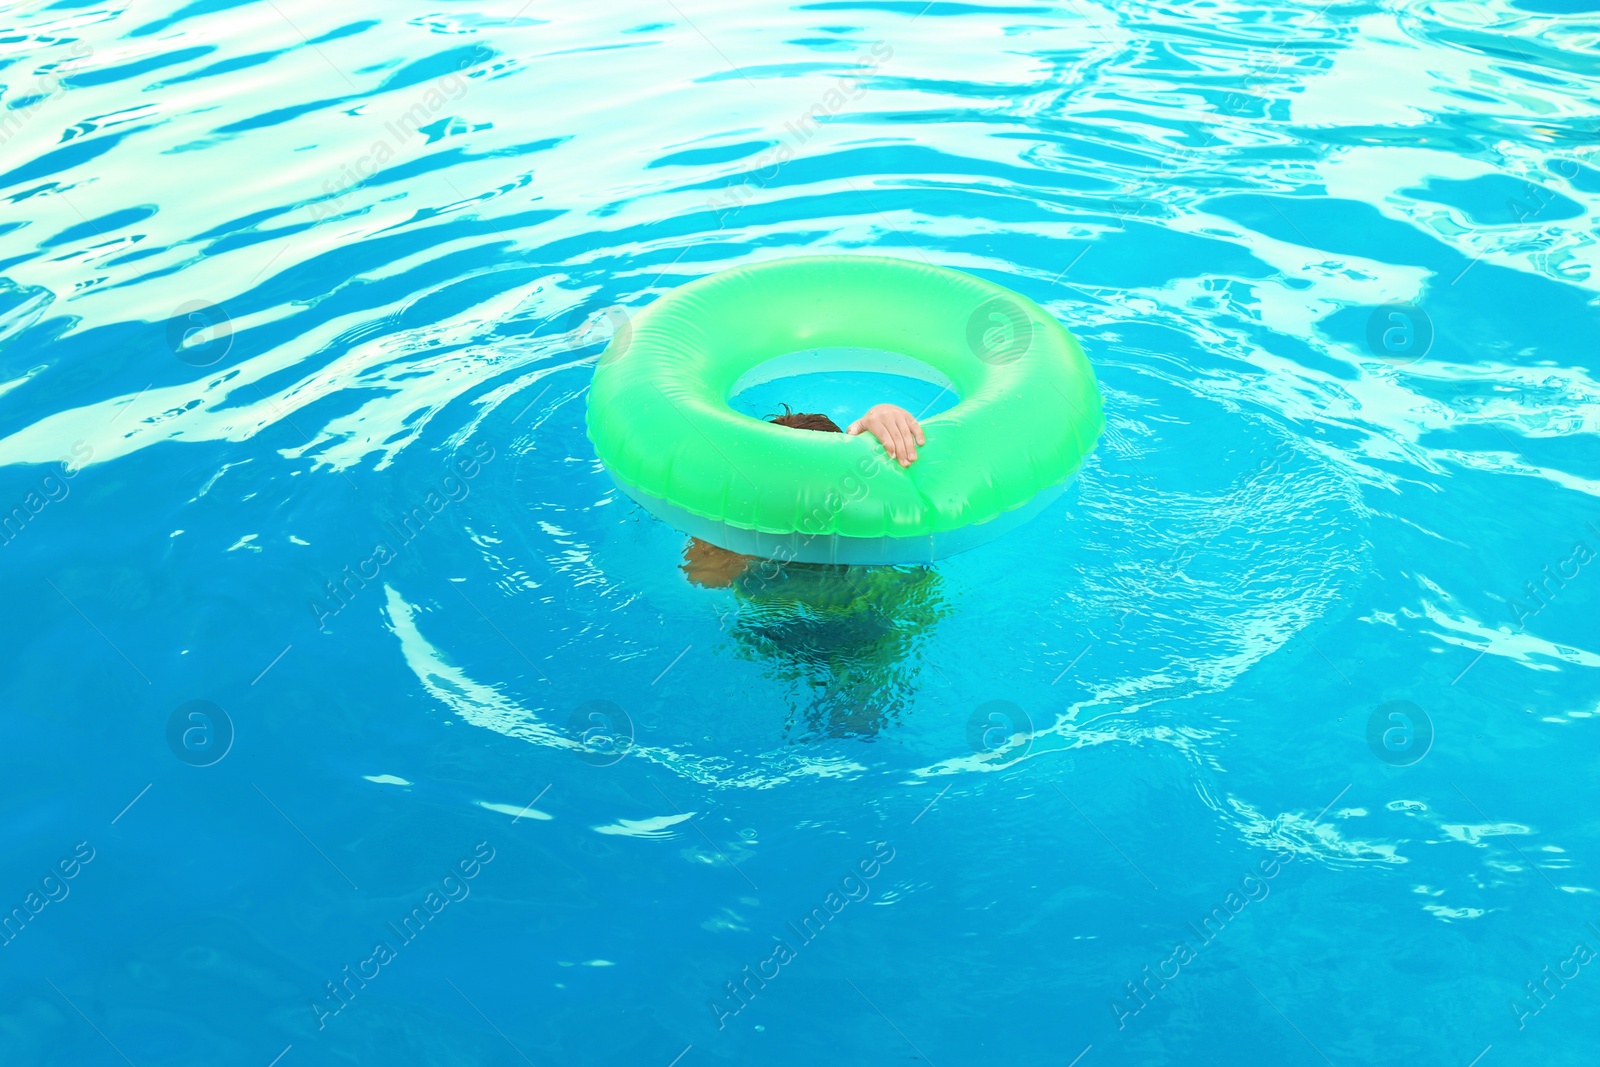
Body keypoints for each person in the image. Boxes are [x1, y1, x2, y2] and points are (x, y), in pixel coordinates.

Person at [681, 403, 924, 589]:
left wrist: (883, 413)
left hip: (858, 611)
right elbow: (702, 576)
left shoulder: (855, 505)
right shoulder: (740, 522)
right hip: (768, 619)